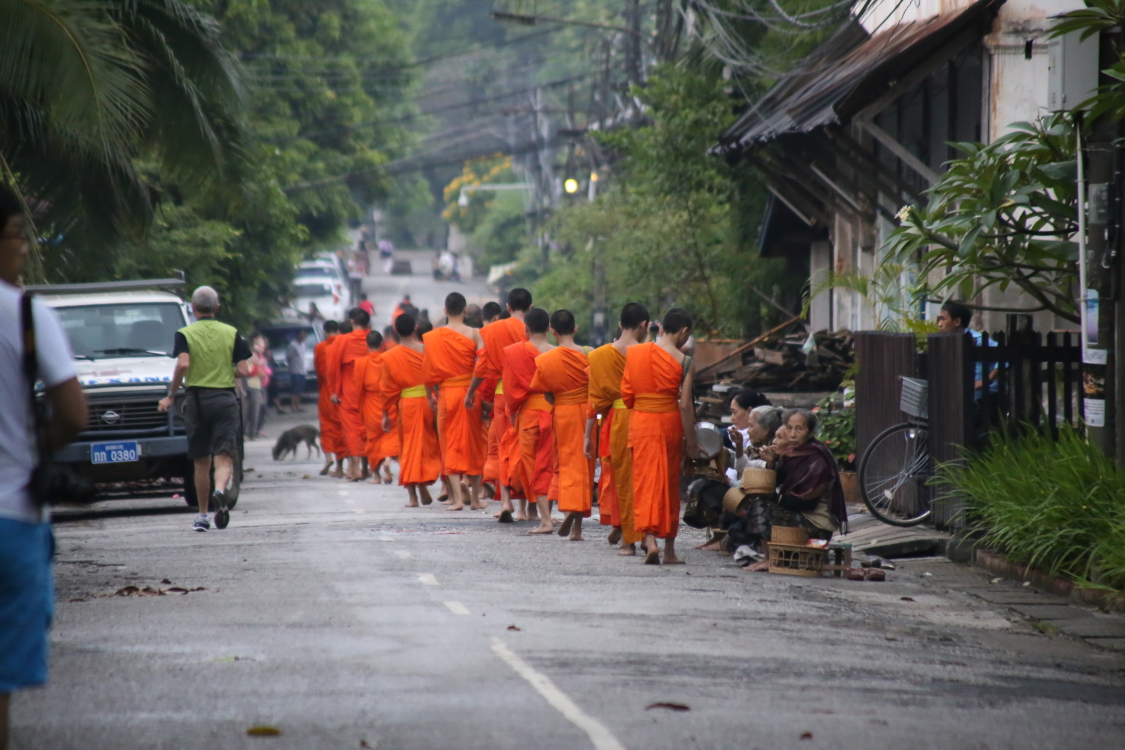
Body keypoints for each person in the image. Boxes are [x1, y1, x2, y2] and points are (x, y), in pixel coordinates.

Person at [0, 187, 88, 748]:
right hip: (11, 513)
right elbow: (74, 414)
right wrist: (31, 453)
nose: (26, 249)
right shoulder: (25, 313)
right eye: (16, 235)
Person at [158, 286, 253, 531]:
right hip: (225, 399)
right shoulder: (231, 332)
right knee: (223, 456)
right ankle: (220, 491)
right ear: (217, 308)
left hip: (196, 400)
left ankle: (202, 516)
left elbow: (183, 363)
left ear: (193, 308)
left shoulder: (185, 334)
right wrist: (224, 370)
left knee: (201, 461)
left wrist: (171, 395)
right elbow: (244, 371)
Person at [621, 309, 699, 565]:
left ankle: (649, 539)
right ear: (684, 331)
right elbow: (686, 405)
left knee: (645, 482)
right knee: (668, 484)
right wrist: (692, 442)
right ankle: (668, 551)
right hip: (669, 424)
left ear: (662, 327)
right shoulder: (685, 360)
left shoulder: (635, 353)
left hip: (642, 422)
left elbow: (627, 396)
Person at [740, 409, 849, 572]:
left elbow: (804, 503)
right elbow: (777, 480)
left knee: (761, 505)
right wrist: (770, 463)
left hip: (816, 527)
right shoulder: (792, 453)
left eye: (799, 429)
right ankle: (767, 557)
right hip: (800, 516)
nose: (792, 434)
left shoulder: (817, 460)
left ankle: (770, 559)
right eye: (789, 428)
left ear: (810, 431)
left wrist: (772, 497)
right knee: (756, 500)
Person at [585, 303, 648, 555]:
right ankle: (646, 532)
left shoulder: (599, 355)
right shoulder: (649, 353)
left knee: (622, 478)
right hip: (646, 416)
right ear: (643, 325)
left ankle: (628, 542)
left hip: (618, 420)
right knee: (644, 478)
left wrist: (588, 434)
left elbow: (597, 401)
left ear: (620, 324)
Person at [465, 289, 532, 523]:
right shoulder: (534, 329)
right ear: (531, 307)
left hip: (503, 395)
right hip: (529, 396)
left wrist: (471, 391)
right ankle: (525, 509)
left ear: (508, 306)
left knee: (504, 447)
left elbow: (482, 365)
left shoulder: (493, 330)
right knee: (525, 449)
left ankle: (505, 502)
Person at [421, 292, 486, 511]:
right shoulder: (476, 333)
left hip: (447, 395)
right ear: (465, 310)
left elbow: (428, 371)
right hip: (470, 395)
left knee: (448, 444)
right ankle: (476, 500)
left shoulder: (434, 336)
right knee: (474, 444)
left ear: (445, 311)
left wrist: (430, 394)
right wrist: (473, 391)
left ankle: (457, 499)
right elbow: (483, 365)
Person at [530, 310, 591, 541]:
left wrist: (562, 401)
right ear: (575, 329)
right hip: (586, 414)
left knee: (566, 465)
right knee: (583, 465)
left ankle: (570, 508)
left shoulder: (547, 359)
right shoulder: (588, 354)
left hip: (562, 414)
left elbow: (546, 394)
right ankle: (577, 528)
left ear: (552, 331)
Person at [503, 308, 557, 531]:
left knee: (533, 466)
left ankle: (545, 519)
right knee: (551, 464)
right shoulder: (558, 353)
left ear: (525, 328)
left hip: (529, 414)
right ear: (548, 329)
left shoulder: (514, 352)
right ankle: (548, 515)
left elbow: (511, 389)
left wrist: (513, 413)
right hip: (555, 413)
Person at [381, 314, 441, 507]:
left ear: (396, 331)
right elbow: (435, 376)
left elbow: (387, 389)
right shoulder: (426, 350)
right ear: (416, 328)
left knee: (408, 448)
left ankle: (413, 497)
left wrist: (384, 413)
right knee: (426, 445)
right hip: (427, 401)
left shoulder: (390, 356)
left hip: (406, 405)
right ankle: (423, 480)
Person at [331, 309, 372, 481]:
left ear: (352, 321)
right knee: (367, 429)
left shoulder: (343, 340)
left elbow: (334, 367)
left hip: (349, 391)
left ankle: (353, 468)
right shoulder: (372, 339)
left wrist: (335, 390)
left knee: (352, 431)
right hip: (370, 391)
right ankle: (366, 467)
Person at [356, 330, 397, 485]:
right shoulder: (389, 359)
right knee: (391, 435)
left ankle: (377, 476)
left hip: (371, 406)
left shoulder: (360, 363)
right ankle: (387, 460)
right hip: (388, 403)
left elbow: (358, 389)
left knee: (373, 440)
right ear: (382, 344)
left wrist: (361, 408)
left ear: (367, 344)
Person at [936, 300, 998, 395]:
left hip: (985, 399)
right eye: (938, 319)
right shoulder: (949, 342)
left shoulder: (978, 340)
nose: (939, 324)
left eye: (943, 319)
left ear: (957, 321)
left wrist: (986, 380)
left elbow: (1006, 357)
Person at [314, 321, 343, 476]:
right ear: (338, 331)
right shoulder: (343, 345)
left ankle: (328, 458)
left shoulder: (320, 348)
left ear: (325, 332)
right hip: (342, 391)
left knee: (326, 425)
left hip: (326, 390)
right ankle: (339, 466)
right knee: (341, 427)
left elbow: (318, 370)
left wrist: (321, 388)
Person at [241, 335, 268, 440]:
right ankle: (246, 434)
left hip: (256, 386)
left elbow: (261, 373)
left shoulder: (258, 358)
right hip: (247, 386)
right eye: (258, 344)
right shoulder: (248, 356)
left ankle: (252, 433)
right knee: (246, 412)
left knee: (255, 411)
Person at [286, 329, 309, 413]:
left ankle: (298, 405)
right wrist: (291, 366)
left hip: (302, 370)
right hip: (295, 370)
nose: (304, 337)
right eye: (302, 334)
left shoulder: (303, 345)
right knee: (294, 389)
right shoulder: (292, 345)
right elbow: (288, 357)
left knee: (300, 389)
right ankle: (293, 406)